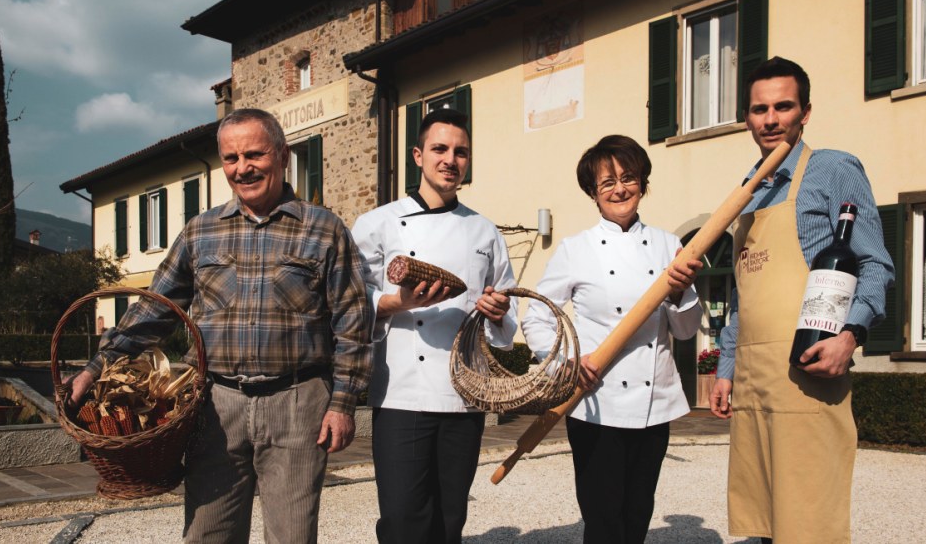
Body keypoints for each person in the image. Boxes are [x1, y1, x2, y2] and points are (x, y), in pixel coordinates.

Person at [68, 108, 373, 543]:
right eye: (230, 158)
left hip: (297, 403)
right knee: (208, 534)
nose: (242, 168)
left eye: (254, 155)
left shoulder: (324, 229)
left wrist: (342, 404)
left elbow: (353, 322)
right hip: (215, 406)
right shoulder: (201, 231)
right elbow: (154, 312)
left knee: (292, 535)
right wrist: (96, 367)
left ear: (283, 155)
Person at [709, 57, 894, 544]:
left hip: (809, 372)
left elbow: (874, 264)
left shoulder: (833, 169)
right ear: (747, 118)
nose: (770, 119)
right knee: (764, 520)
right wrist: (727, 368)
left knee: (810, 521)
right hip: (754, 381)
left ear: (805, 112)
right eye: (759, 109)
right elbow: (741, 292)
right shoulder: (747, 191)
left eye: (783, 106)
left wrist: (850, 336)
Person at [522, 134, 703, 544]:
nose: (620, 189)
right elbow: (537, 316)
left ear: (642, 183)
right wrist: (568, 362)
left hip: (652, 405)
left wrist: (677, 292)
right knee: (603, 520)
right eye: (607, 182)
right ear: (593, 193)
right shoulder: (574, 249)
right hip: (594, 403)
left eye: (629, 177)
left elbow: (687, 329)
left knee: (638, 512)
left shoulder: (668, 245)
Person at [350, 108, 517, 544]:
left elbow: (508, 314)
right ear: (418, 156)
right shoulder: (377, 224)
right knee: (403, 521)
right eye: (440, 149)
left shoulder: (484, 231)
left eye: (460, 152)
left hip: (464, 397)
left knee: (449, 519)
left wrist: (498, 312)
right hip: (402, 395)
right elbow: (348, 303)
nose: (451, 159)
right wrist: (393, 302)